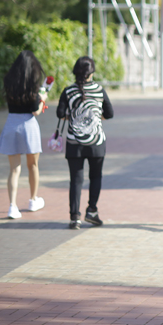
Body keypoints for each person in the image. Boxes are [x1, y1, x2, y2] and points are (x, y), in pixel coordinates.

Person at [56, 56, 114, 229]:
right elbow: (109, 114)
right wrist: (95, 117)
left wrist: (72, 117)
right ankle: (92, 211)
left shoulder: (68, 91)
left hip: (75, 143)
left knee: (75, 180)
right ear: (92, 73)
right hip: (96, 142)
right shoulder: (99, 90)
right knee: (95, 176)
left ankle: (75, 217)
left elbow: (60, 113)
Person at [0, 50, 47, 219]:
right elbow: (35, 111)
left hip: (11, 124)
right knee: (32, 165)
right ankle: (33, 200)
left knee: (14, 169)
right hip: (28, 126)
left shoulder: (9, 82)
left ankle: (12, 206)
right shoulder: (32, 84)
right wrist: (42, 100)